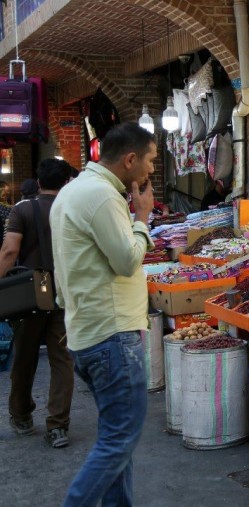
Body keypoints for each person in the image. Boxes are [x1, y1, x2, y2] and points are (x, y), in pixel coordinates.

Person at [50, 123, 156, 507]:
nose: (150, 171)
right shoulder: (100, 196)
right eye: (149, 161)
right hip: (112, 337)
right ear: (129, 159)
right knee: (117, 442)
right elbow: (128, 260)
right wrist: (141, 218)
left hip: (87, 332)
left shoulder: (73, 192)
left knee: (117, 440)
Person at [0, 159, 75, 448]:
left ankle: (21, 416)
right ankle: (58, 426)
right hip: (65, 288)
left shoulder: (23, 209)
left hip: (32, 290)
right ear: (66, 181)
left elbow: (9, 251)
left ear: (39, 181)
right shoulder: (71, 208)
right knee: (62, 358)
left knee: (25, 356)